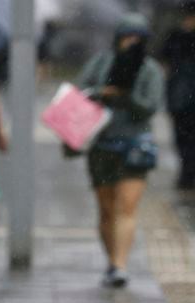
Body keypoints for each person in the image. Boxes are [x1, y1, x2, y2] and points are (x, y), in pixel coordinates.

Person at [75, 13, 164, 288]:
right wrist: (104, 92)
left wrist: (127, 95)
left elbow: (151, 106)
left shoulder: (150, 69)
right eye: (127, 37)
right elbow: (79, 92)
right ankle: (111, 259)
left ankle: (119, 265)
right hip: (102, 145)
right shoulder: (101, 63)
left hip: (135, 145)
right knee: (106, 209)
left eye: (136, 38)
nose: (130, 43)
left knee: (126, 207)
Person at [161, 0, 195, 191]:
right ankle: (187, 174)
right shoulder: (176, 36)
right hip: (180, 97)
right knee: (183, 138)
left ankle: (188, 174)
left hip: (180, 96)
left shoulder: (175, 37)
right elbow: (165, 62)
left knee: (185, 138)